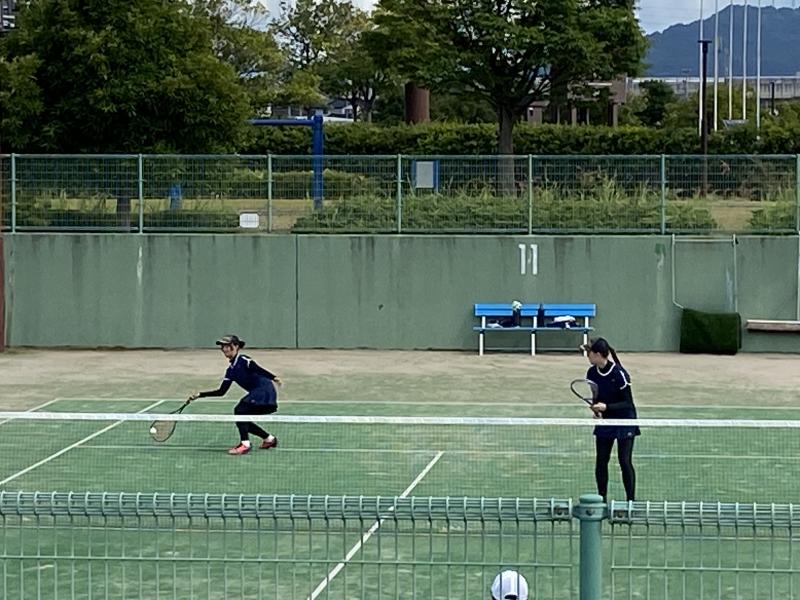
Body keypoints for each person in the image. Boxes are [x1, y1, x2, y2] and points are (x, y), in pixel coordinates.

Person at [190, 335, 281, 455]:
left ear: (236, 346)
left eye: (228, 346)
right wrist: (200, 395)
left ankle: (245, 444)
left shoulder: (243, 360)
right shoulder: (230, 371)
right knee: (241, 418)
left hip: (263, 391)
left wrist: (273, 377)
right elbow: (221, 392)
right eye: (223, 346)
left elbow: (257, 368)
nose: (225, 349)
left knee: (240, 411)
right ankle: (269, 439)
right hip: (258, 394)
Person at [581, 337, 640, 502]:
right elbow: (596, 396)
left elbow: (628, 402)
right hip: (606, 421)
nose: (587, 356)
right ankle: (602, 499)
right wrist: (596, 409)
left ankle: (630, 501)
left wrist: (606, 407)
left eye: (589, 352)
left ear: (598, 354)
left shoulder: (619, 374)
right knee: (601, 461)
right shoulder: (591, 372)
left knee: (624, 461)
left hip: (625, 421)